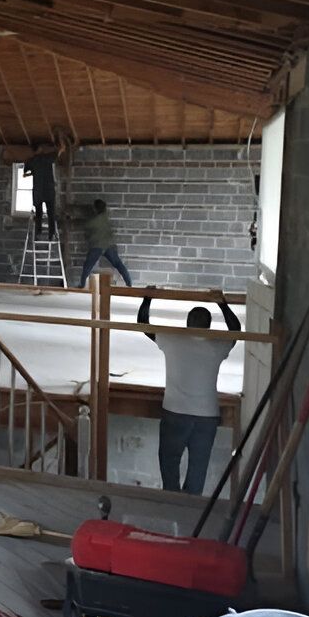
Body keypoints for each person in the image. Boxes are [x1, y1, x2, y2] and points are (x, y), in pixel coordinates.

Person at [138, 290, 240, 494]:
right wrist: (222, 303)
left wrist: (148, 298)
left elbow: (142, 323)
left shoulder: (172, 339)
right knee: (197, 471)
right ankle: (190, 514)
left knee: (169, 465)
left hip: (175, 412)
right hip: (207, 416)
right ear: (209, 326)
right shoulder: (217, 345)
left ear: (187, 323)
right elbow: (236, 330)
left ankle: (172, 506)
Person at [76, 199, 133, 287]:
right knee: (119, 265)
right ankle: (129, 283)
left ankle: (82, 285)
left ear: (95, 209)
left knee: (87, 266)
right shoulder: (106, 218)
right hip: (109, 245)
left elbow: (86, 229)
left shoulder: (93, 222)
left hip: (97, 246)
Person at [23, 146, 59, 239]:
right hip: (49, 190)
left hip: (38, 190)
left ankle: (38, 233)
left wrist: (33, 173)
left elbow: (24, 174)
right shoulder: (47, 158)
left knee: (39, 213)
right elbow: (57, 155)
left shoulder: (32, 161)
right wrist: (61, 149)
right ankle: (51, 234)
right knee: (51, 213)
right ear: (41, 150)